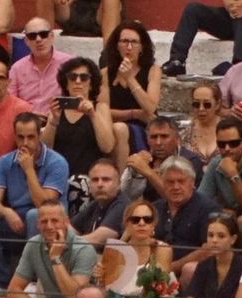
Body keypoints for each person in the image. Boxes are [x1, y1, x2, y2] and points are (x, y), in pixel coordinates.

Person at [0, 108, 65, 280]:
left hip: (49, 220)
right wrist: (7, 212)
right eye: (20, 137)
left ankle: (33, 279)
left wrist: (29, 170)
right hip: (16, 219)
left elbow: (45, 206)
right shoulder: (5, 162)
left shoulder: (57, 162)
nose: (25, 143)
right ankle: (0, 282)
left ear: (39, 136)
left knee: (33, 214)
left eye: (31, 137)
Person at [45, 55, 124, 211]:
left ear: (91, 83)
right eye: (73, 77)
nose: (78, 81)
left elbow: (107, 146)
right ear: (66, 83)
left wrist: (92, 115)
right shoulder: (57, 110)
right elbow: (46, 149)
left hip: (89, 178)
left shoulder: (100, 108)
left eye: (84, 77)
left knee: (79, 183)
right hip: (60, 175)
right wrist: (53, 121)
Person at [161, 0, 242, 79]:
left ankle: (238, 66)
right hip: (236, 17)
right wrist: (232, 5)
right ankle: (177, 61)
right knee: (193, 9)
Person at [154, 155, 217, 274]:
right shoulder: (154, 209)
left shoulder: (208, 209)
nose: (176, 187)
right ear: (162, 182)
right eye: (170, 182)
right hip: (154, 269)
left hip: (192, 272)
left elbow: (208, 249)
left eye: (181, 181)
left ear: (192, 182)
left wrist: (170, 268)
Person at [100, 18, 157, 148]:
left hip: (144, 128)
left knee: (119, 129)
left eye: (134, 42)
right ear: (117, 45)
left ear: (142, 47)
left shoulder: (153, 70)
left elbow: (150, 108)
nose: (129, 47)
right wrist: (134, 113)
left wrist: (130, 78)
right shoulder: (105, 73)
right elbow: (103, 111)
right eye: (125, 41)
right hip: (114, 125)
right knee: (116, 129)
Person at [181, 210, 242, 298]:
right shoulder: (204, 265)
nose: (214, 240)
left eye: (221, 236)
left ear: (233, 239)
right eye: (210, 235)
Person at [198, 115, 242, 212]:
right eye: (221, 144)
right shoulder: (215, 163)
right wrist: (222, 211)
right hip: (224, 218)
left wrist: (233, 175)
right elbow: (201, 201)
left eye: (233, 143)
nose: (227, 149)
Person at [8, 17, 70, 117]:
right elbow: (10, 101)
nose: (38, 39)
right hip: (26, 123)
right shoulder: (17, 68)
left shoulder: (68, 63)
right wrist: (29, 114)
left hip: (59, 120)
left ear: (52, 36)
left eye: (43, 34)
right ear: (26, 41)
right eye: (32, 36)